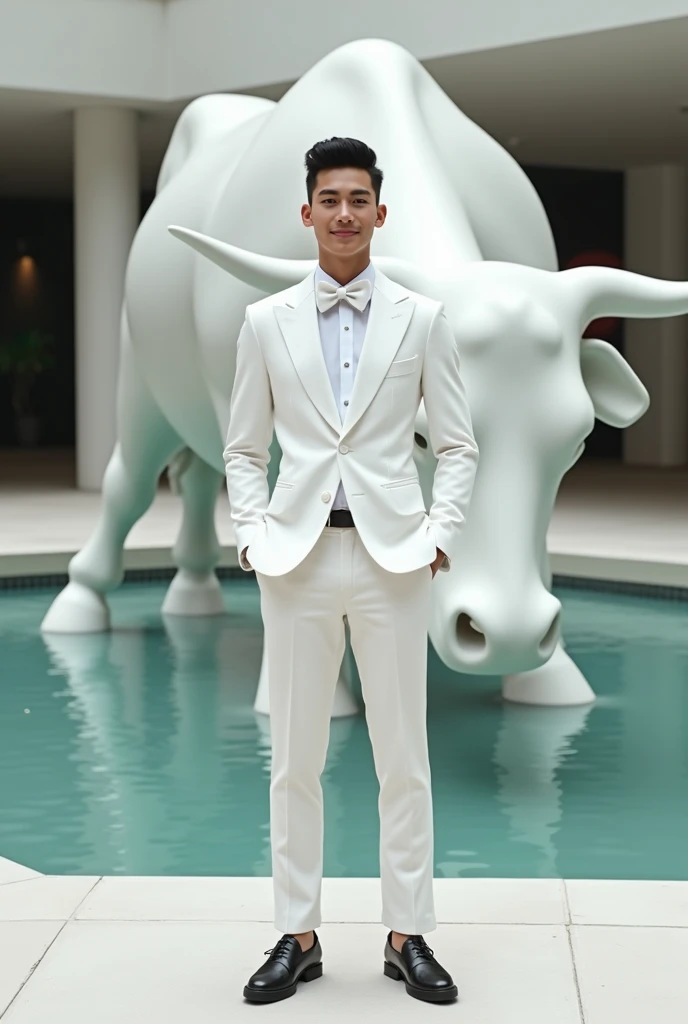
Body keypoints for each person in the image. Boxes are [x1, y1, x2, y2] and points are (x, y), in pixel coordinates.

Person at [224, 137, 479, 1004]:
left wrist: (437, 531)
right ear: (307, 212)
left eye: (356, 199)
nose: (342, 213)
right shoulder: (264, 323)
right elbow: (241, 448)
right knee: (293, 760)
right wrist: (255, 540)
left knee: (402, 756)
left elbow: (456, 443)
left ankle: (408, 935)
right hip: (294, 561)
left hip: (392, 561)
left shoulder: (424, 318)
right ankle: (297, 934)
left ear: (379, 212)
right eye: (327, 199)